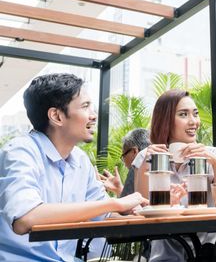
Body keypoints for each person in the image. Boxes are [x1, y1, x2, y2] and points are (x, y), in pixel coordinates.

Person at [0, 73, 148, 261]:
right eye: (85, 106)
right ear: (57, 116)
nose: (93, 115)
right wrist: (115, 203)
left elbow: (103, 215)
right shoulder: (20, 151)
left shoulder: (80, 159)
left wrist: (143, 214)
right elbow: (25, 218)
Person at [135, 89, 216, 261]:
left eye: (195, 114)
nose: (194, 122)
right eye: (183, 114)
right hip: (166, 258)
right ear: (165, 120)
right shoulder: (146, 156)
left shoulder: (213, 155)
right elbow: (143, 208)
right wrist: (147, 162)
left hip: (211, 255)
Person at [99, 128, 151, 197]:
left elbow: (130, 207)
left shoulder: (137, 166)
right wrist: (119, 189)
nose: (123, 162)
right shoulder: (160, 161)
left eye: (123, 155)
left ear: (134, 151)